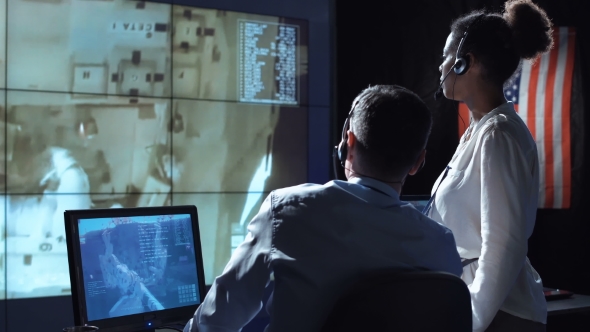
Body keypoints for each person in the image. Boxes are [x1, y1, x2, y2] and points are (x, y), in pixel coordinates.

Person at [183, 85, 463, 332]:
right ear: (418, 162)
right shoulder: (441, 245)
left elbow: (216, 320)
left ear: (348, 144)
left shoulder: (287, 210)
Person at [427, 1, 553, 331]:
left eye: (446, 57)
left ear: (465, 63)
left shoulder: (498, 134)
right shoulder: (481, 130)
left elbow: (504, 245)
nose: (440, 68)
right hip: (486, 308)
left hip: (499, 313)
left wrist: (470, 321)